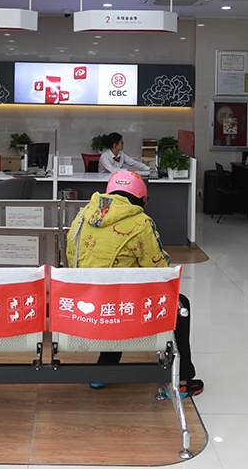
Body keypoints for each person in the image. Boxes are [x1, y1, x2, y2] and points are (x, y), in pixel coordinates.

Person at [65, 170, 204, 397]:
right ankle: (184, 378)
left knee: (113, 292)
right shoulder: (141, 223)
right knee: (180, 304)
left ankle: (103, 370)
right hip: (121, 308)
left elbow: (71, 256)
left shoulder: (82, 216)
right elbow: (159, 271)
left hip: (84, 303)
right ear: (141, 199)